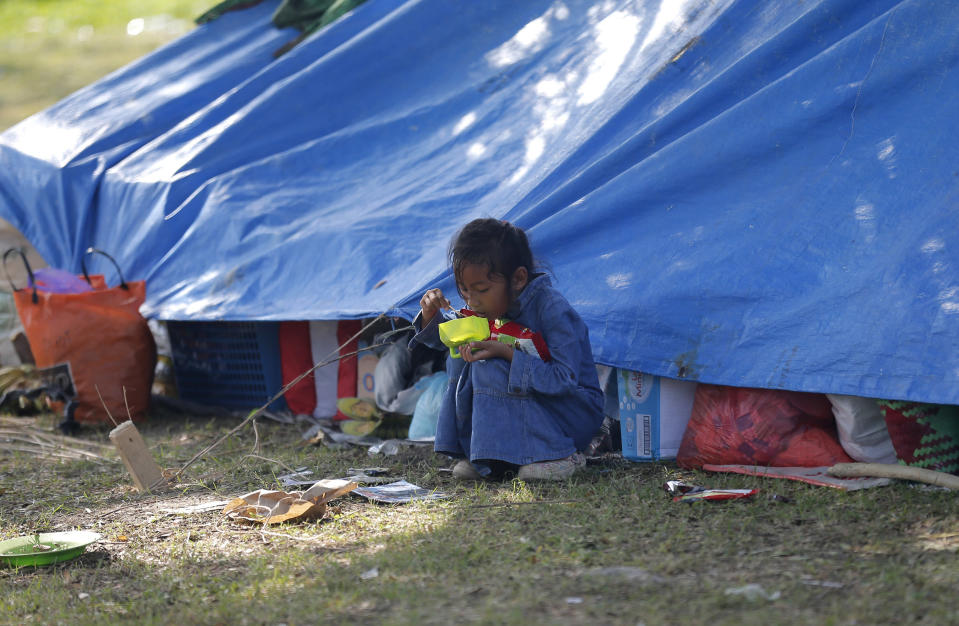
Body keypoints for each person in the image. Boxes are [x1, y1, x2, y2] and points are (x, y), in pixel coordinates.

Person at [411, 218, 604, 480]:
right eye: (465, 291)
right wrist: (429, 316)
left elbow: (564, 380)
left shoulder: (551, 310)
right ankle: (492, 459)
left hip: (571, 414)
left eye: (481, 290)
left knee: (490, 363)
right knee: (466, 358)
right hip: (533, 414)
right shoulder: (489, 307)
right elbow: (448, 338)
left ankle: (560, 455)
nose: (471, 301)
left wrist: (508, 354)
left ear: (518, 279)